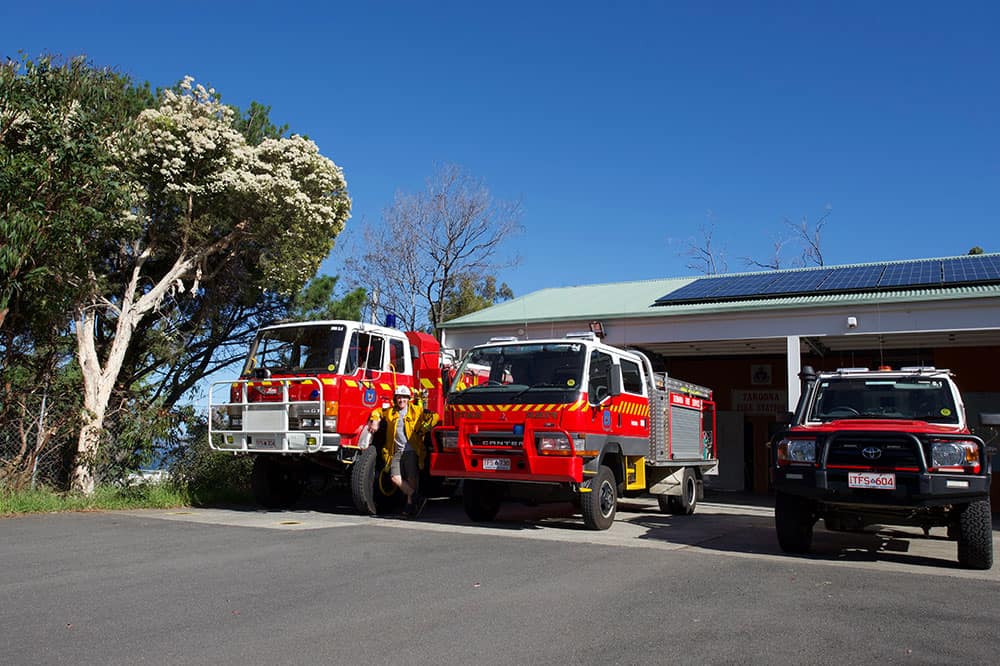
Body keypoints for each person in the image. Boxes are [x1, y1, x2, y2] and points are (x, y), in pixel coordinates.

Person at [366, 385, 439, 517]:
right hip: (396, 452)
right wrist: (375, 420)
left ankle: (410, 505)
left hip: (412, 451)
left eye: (404, 397)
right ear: (395, 399)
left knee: (411, 478)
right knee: (394, 477)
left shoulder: (417, 411)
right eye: (399, 397)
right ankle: (415, 496)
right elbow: (377, 411)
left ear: (409, 399)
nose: (401, 400)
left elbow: (435, 417)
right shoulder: (390, 412)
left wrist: (424, 429)